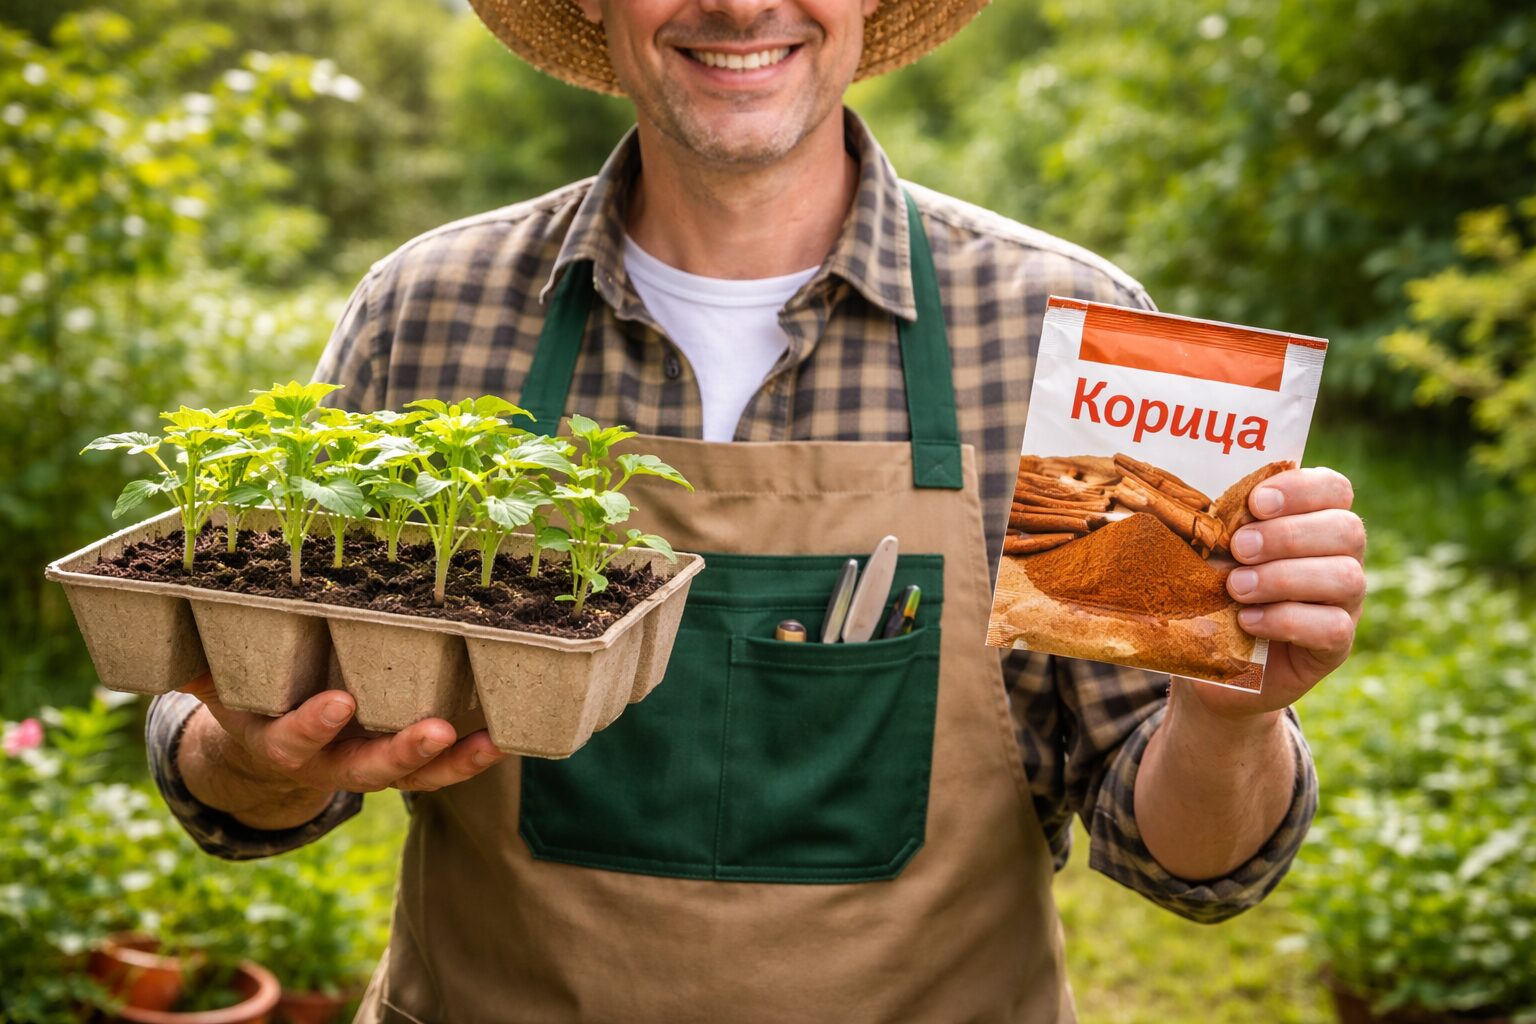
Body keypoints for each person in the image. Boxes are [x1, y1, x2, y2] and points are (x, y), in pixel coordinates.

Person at [145, 2, 1367, 1020]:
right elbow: (242, 779)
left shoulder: (1064, 328)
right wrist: (252, 751)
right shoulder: (432, 310)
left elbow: (1190, 868)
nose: (739, 2)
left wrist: (1225, 717)